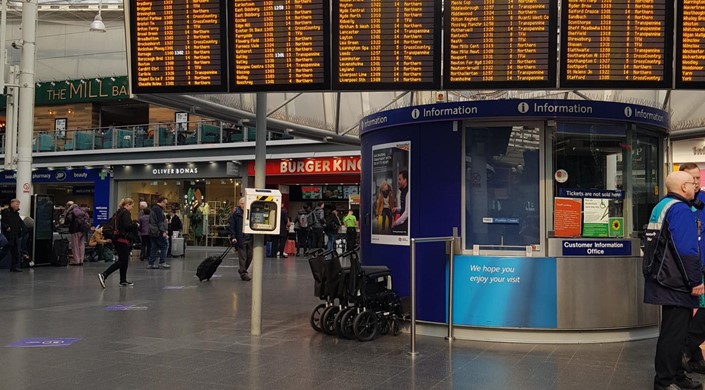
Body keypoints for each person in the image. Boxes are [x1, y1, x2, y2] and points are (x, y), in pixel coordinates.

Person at [644, 170, 704, 390]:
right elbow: (686, 250)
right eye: (691, 182)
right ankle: (665, 381)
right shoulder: (680, 210)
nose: (695, 186)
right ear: (682, 188)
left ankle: (677, 376)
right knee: (673, 334)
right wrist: (695, 281)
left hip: (664, 277)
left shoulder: (662, 206)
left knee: (676, 332)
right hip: (676, 280)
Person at [680, 163, 705, 375]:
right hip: (687, 266)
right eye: (692, 179)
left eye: (698, 178)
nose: (696, 182)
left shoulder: (703, 200)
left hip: (702, 264)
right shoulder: (678, 204)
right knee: (687, 311)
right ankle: (689, 351)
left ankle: (689, 351)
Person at [98, 198, 139, 288]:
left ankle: (123, 280)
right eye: (132, 205)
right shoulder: (126, 213)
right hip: (122, 239)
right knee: (122, 260)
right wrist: (135, 225)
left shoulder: (118, 212)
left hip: (117, 238)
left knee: (124, 260)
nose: (132, 207)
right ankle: (104, 274)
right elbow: (127, 226)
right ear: (127, 204)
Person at [229, 197, 252, 281]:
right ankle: (243, 273)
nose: (243, 205)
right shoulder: (236, 214)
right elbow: (232, 226)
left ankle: (242, 270)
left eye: (244, 203)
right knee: (243, 257)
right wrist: (233, 237)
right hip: (240, 238)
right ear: (239, 204)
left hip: (249, 237)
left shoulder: (250, 212)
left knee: (250, 256)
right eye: (242, 203)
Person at [1, 199, 25, 272]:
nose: (18, 206)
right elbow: (2, 222)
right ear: (12, 204)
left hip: (14, 236)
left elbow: (20, 223)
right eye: (17, 204)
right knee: (4, 252)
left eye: (18, 204)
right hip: (8, 236)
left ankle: (14, 266)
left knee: (15, 253)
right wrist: (6, 227)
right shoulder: (6, 212)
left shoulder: (16, 214)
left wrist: (21, 232)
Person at [65, 201, 90, 265]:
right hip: (83, 230)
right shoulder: (81, 209)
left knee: (75, 245)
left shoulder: (71, 210)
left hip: (75, 230)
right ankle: (81, 260)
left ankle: (77, 261)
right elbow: (87, 217)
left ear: (68, 205)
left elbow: (68, 220)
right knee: (81, 245)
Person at [148, 196, 170, 269]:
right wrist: (163, 231)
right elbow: (160, 222)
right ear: (162, 202)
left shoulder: (154, 208)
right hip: (157, 231)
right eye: (165, 203)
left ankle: (151, 263)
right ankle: (162, 262)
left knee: (154, 247)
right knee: (165, 245)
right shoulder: (158, 210)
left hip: (152, 231)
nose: (165, 205)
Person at [392, 170, 409, 234]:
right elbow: (405, 207)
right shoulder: (403, 192)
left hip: (406, 224)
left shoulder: (408, 192)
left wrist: (395, 223)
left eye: (400, 179)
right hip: (403, 222)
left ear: (405, 180)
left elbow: (407, 212)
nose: (398, 182)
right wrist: (397, 208)